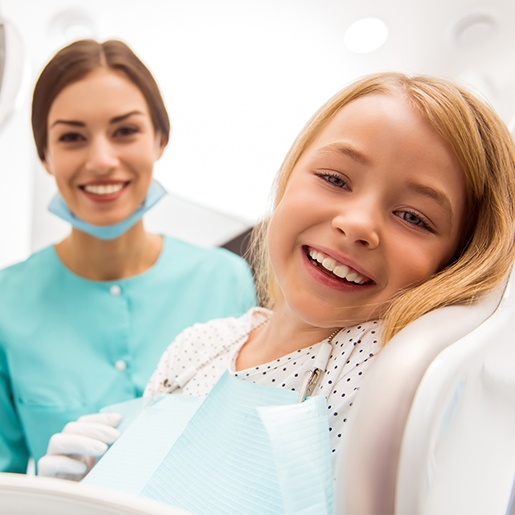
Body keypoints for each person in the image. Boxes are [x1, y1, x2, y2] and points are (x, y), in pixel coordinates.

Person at [38, 72, 515, 514]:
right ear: (287, 181)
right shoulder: (198, 345)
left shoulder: (381, 367)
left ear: (457, 261)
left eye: (414, 217)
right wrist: (84, 489)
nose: (357, 224)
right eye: (334, 179)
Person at [0, 39, 257, 474]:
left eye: (125, 131)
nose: (102, 160)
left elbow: (246, 451)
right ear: (45, 155)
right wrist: (44, 498)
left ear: (160, 139)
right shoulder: (7, 300)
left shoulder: (225, 280)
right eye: (72, 137)